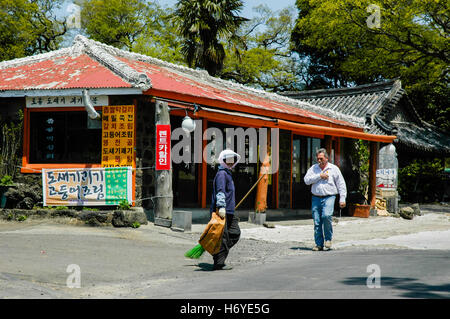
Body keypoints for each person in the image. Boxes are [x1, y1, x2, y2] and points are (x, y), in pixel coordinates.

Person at [304, 148, 347, 251]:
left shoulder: (334, 169)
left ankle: (328, 239)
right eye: (318, 158)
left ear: (327, 158)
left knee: (326, 216)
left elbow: (341, 184)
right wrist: (319, 176)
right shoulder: (313, 169)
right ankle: (319, 244)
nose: (319, 161)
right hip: (316, 197)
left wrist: (342, 198)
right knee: (317, 221)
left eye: (321, 159)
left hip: (329, 196)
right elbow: (306, 180)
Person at [210, 149, 241, 270]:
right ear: (222, 161)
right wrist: (221, 207)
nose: (230, 162)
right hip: (221, 211)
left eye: (231, 160)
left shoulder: (228, 173)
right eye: (227, 160)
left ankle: (217, 252)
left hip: (230, 211)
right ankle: (219, 262)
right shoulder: (222, 174)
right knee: (223, 237)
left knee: (235, 233)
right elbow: (220, 191)